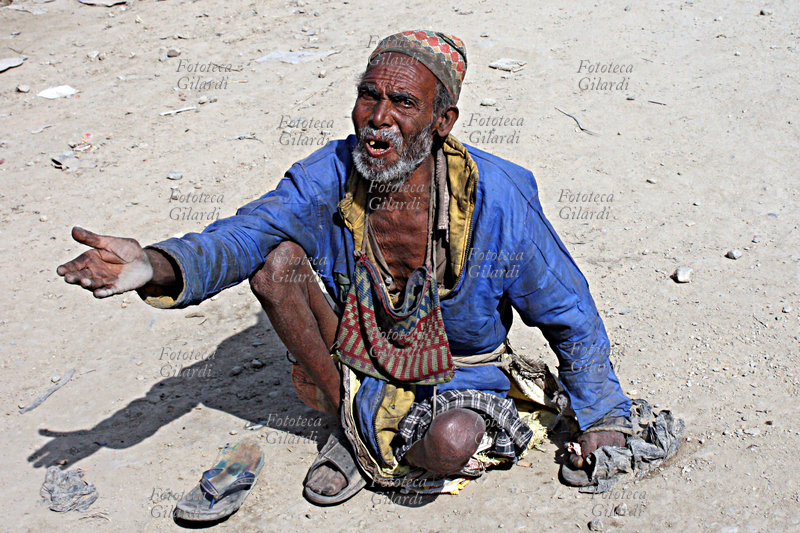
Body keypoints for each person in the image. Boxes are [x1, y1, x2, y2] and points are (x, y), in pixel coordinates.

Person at [57, 30, 631, 504]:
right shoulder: (330, 172)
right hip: (356, 354)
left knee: (452, 441)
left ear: (442, 120)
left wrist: (601, 413)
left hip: (458, 372)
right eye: (369, 96)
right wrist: (154, 266)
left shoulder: (498, 196)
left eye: (403, 103)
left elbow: (566, 305)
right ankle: (348, 429)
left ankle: (382, 438)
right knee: (276, 263)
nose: (378, 118)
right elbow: (247, 231)